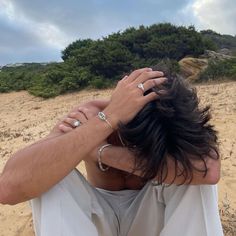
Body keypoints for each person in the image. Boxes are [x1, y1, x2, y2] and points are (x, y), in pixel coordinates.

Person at [0, 67, 223, 236]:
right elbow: (8, 188)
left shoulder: (170, 115)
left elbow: (210, 171)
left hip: (150, 216)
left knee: (197, 183)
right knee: (49, 173)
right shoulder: (88, 115)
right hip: (97, 218)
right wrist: (108, 119)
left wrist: (101, 151)